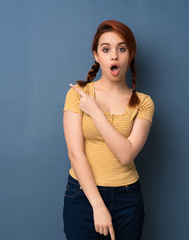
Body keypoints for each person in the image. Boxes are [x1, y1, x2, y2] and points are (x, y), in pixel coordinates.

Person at [62, 20, 155, 240]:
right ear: (96, 55)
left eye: (121, 49)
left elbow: (126, 154)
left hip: (127, 198)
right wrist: (98, 206)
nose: (114, 56)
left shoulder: (144, 102)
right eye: (106, 49)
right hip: (82, 196)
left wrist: (95, 112)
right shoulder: (78, 94)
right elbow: (76, 154)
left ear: (130, 54)